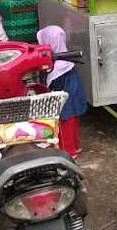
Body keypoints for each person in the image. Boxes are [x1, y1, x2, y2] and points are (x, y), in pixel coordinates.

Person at [37, 26, 87, 158]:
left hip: (63, 91)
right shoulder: (66, 59)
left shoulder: (58, 68)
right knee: (73, 118)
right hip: (73, 89)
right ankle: (75, 146)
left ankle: (67, 151)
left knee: (64, 118)